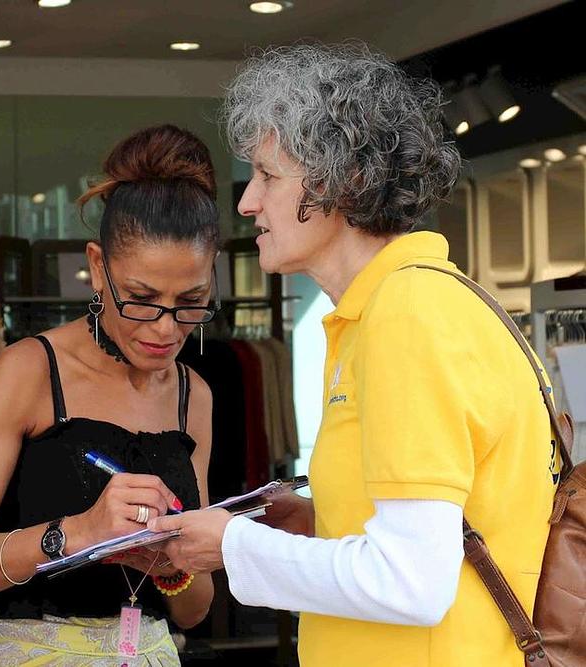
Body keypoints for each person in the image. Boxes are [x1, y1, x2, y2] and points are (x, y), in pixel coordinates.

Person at [148, 43, 559, 667]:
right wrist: (319, 521)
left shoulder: (407, 315)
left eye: (268, 175)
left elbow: (410, 583)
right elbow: (443, 534)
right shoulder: (408, 305)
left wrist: (232, 544)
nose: (247, 202)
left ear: (346, 181)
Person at [0, 125, 219, 665]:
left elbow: (195, 612)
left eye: (191, 302)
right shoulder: (28, 371)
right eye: (141, 298)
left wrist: (169, 566)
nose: (166, 328)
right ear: (97, 268)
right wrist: (77, 533)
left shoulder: (194, 395)